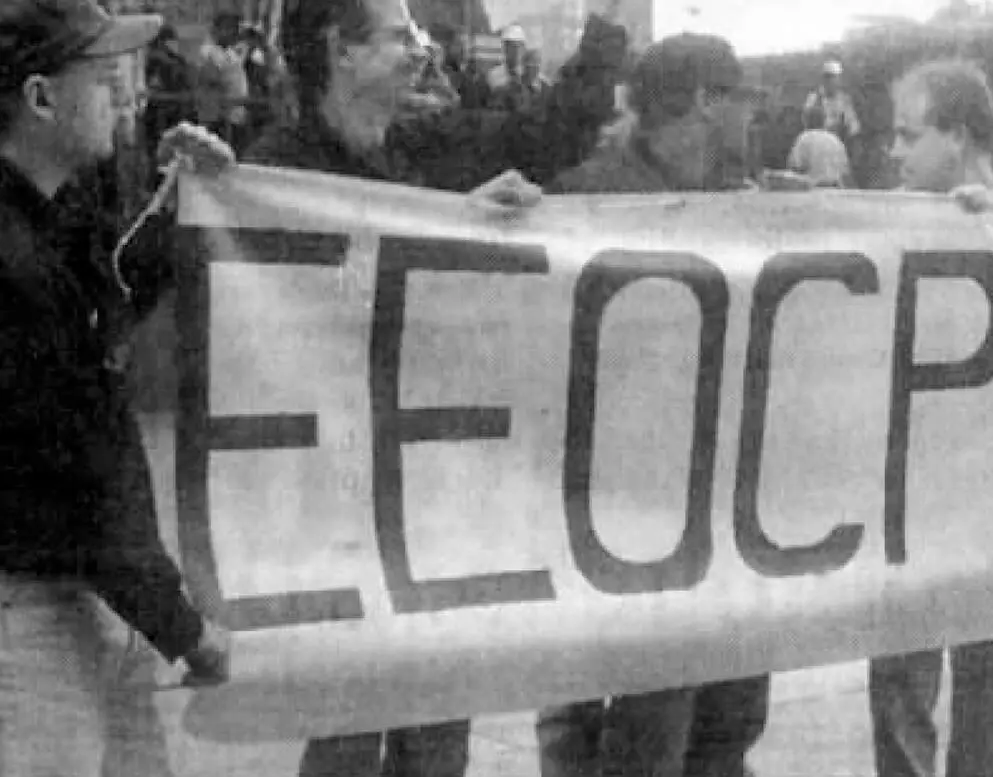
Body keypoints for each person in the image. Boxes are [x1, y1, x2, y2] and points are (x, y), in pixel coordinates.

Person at [258, 1, 626, 774]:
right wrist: (442, 229)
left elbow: (548, 132)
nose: (419, 51)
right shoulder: (274, 169)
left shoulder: (421, 147)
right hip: (337, 499)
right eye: (399, 36)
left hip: (436, 491)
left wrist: (603, 29)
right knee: (350, 727)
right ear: (340, 51)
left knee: (438, 726)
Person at [531, 33, 780, 777]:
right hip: (622, 507)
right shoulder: (584, 195)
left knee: (731, 710)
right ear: (706, 101)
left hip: (725, 504)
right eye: (741, 99)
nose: (750, 117)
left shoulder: (749, 202)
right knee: (636, 714)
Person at [0, 1, 239, 773]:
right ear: (40, 98)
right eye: (102, 78)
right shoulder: (15, 266)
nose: (126, 93)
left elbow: (110, 294)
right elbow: (81, 476)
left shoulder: (50, 211)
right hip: (31, 616)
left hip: (85, 598)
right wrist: (186, 629)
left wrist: (180, 196)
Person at [866, 60, 993, 777]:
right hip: (908, 496)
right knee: (902, 682)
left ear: (958, 135)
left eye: (908, 134)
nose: (893, 152)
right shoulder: (887, 225)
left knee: (988, 684)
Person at [193, 11, 251, 147]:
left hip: (237, 115)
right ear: (217, 29)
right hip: (218, 117)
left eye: (235, 28)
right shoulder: (208, 52)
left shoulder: (232, 52)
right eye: (228, 28)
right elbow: (210, 78)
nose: (233, 32)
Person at [786, 104, 851, 187]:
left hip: (813, 190)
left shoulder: (804, 138)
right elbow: (845, 171)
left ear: (806, 120)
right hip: (836, 190)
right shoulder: (836, 140)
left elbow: (795, 168)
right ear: (824, 120)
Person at [805, 59, 862, 140]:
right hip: (818, 140)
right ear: (823, 79)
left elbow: (854, 126)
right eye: (828, 77)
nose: (831, 81)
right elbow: (807, 122)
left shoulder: (844, 100)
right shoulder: (813, 98)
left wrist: (847, 129)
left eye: (834, 77)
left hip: (838, 141)